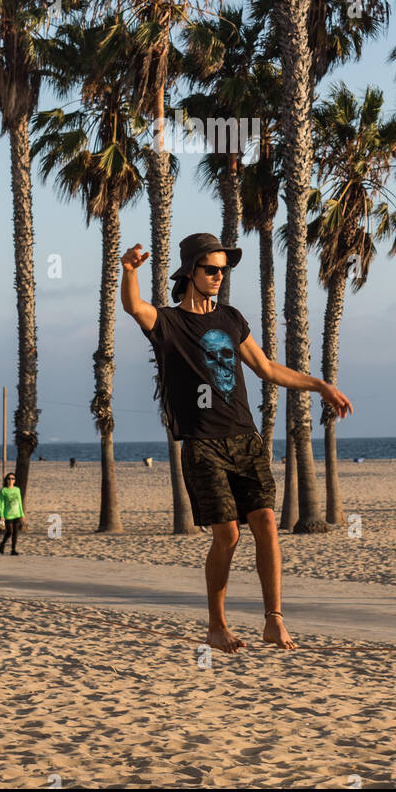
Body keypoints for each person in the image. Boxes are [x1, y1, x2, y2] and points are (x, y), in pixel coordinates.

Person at [121, 231, 353, 653]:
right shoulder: (170, 323)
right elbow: (134, 307)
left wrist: (318, 385)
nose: (218, 277)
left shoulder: (230, 318)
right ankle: (217, 625)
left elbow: (267, 368)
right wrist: (130, 271)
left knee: (266, 523)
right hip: (202, 444)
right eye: (211, 270)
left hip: (245, 439)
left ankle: (273, 620)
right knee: (227, 534)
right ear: (190, 272)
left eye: (223, 271)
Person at [0, 472, 24, 554]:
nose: (11, 480)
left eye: (12, 478)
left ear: (14, 480)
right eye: (9, 478)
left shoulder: (17, 489)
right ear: (6, 480)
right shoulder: (3, 491)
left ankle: (13, 550)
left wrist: (22, 514)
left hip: (16, 514)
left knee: (15, 532)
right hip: (7, 515)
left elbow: (20, 502)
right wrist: (1, 515)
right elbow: (0, 503)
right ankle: (2, 544)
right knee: (9, 531)